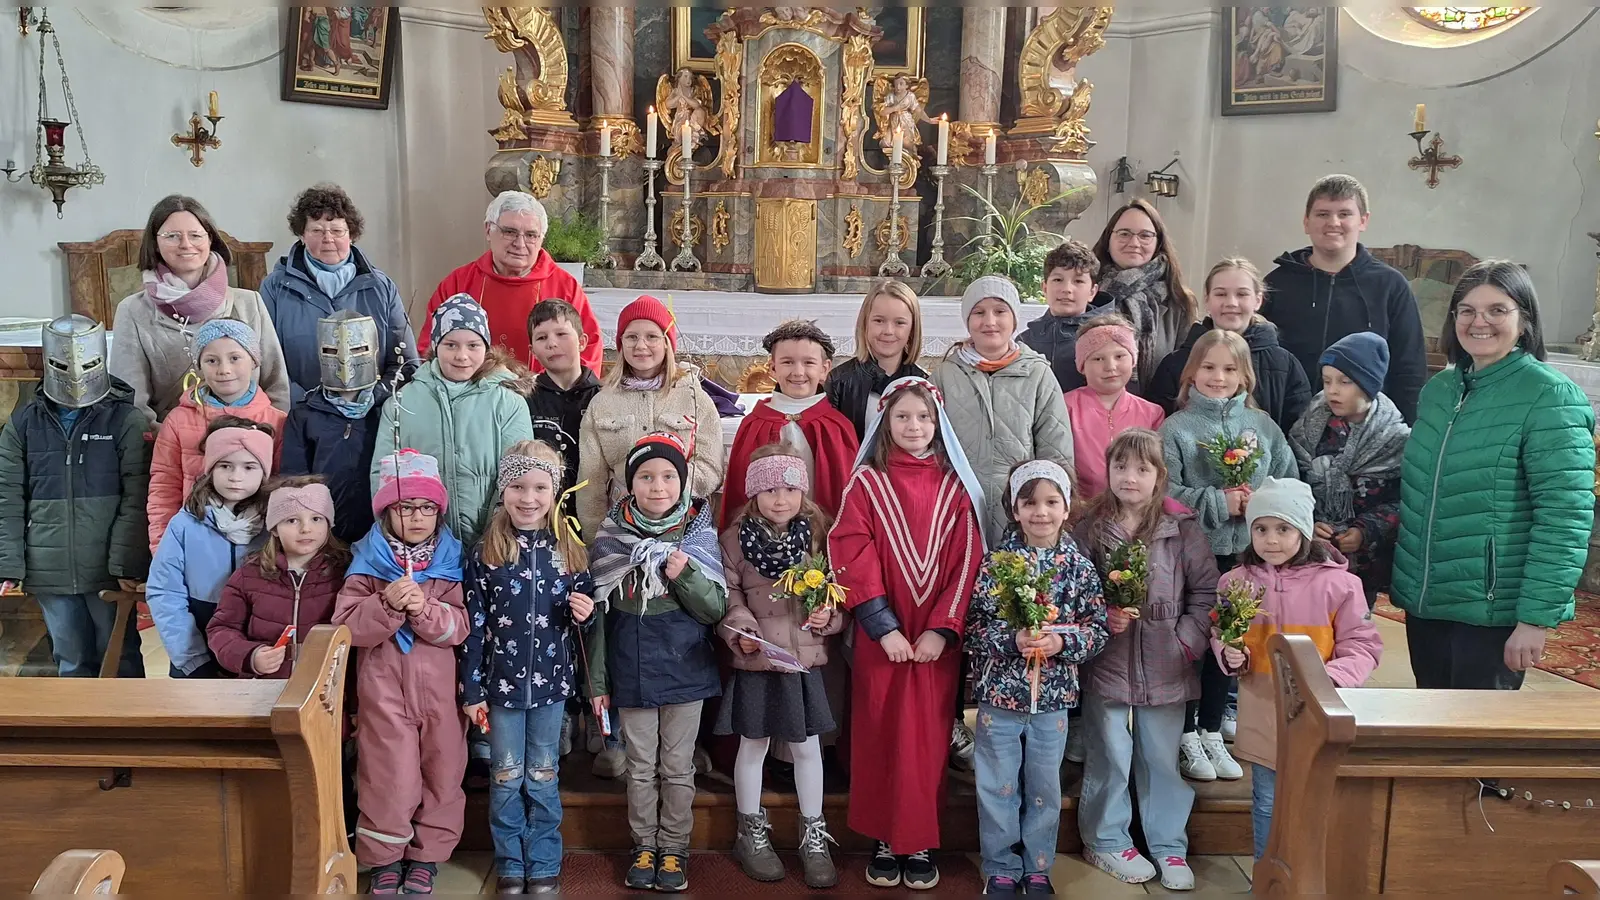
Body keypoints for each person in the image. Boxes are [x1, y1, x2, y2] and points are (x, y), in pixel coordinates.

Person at [1392, 261, 1597, 690]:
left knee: (1472, 747)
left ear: (1524, 321)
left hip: (1492, 613)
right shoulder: (1439, 391)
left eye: (1496, 310)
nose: (1478, 321)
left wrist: (1534, 618)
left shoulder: (1549, 397)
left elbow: (1564, 518)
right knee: (1428, 731)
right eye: (1466, 310)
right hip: (1427, 602)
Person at [829, 377, 984, 891]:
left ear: (938, 424)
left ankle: (917, 838)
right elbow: (851, 548)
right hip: (885, 638)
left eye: (923, 418)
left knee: (927, 735)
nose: (913, 427)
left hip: (934, 640)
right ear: (884, 423)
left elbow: (967, 561)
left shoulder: (957, 487)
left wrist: (943, 630)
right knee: (879, 728)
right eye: (901, 418)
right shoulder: (867, 483)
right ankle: (882, 835)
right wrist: (881, 625)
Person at [1073, 428, 1218, 890]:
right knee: (1110, 755)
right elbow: (1072, 588)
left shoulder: (1182, 529)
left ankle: (1168, 845)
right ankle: (1106, 839)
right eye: (1120, 467)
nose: (1129, 477)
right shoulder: (1089, 526)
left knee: (1160, 756)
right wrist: (1101, 619)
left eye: (1141, 468)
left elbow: (1206, 592)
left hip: (1167, 660)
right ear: (1107, 469)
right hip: (1108, 660)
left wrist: (1186, 641)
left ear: (1160, 476)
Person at [587, 432, 728, 894]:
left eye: (669, 476)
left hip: (686, 672)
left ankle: (674, 848)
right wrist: (599, 682)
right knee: (640, 766)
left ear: (684, 483)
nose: (658, 486)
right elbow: (600, 623)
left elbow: (713, 610)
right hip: (631, 672)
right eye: (646, 476)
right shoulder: (611, 540)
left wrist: (682, 573)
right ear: (630, 485)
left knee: (677, 766)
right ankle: (643, 845)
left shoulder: (697, 536)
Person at [1214, 477, 1381, 861]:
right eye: (1261, 529)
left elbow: (1363, 645)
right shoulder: (1234, 583)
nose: (1271, 540)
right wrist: (1230, 653)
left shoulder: (1340, 585)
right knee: (1268, 801)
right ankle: (1268, 879)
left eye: (1283, 529)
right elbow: (1223, 633)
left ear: (1303, 530)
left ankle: (1309, 877)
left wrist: (1331, 677)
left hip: (1318, 714)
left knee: (1316, 801)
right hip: (1263, 712)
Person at [460, 441, 596, 894]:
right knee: (504, 777)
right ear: (503, 491)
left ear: (555, 493)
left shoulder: (571, 551)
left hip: (552, 690)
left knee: (542, 775)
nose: (528, 497)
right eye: (518, 486)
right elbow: (474, 629)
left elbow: (587, 622)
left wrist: (585, 612)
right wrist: (472, 689)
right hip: (499, 691)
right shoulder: (486, 554)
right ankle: (510, 864)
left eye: (540, 487)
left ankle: (542, 864)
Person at [1159, 329, 1295, 782]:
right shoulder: (1175, 429)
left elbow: (1288, 484)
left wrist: (1258, 504)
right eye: (1209, 367)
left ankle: (1214, 727)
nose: (1219, 377)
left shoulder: (1263, 428)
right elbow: (1166, 493)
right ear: (1191, 372)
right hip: (1195, 558)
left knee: (1232, 643)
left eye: (1230, 369)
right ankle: (1185, 732)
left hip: (1246, 559)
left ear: (1245, 376)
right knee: (1195, 645)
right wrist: (1221, 502)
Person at [968, 460, 1108, 895]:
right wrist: (1013, 639)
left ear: (1068, 508)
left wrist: (1061, 644)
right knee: (997, 784)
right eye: (1029, 503)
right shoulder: (995, 565)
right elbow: (974, 628)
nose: (1040, 512)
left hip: (1053, 700)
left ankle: (1038, 867)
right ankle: (1000, 866)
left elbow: (1097, 629)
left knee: (1045, 786)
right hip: (999, 698)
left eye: (1051, 502)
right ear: (1013, 508)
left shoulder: (1080, 569)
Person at [333, 450, 469, 895]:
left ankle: (427, 856)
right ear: (387, 512)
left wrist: (425, 608)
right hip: (383, 690)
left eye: (427, 508)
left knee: (442, 771)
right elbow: (346, 629)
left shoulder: (449, 563)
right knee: (388, 774)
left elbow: (460, 627)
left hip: (439, 692)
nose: (416, 517)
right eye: (405, 508)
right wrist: (387, 603)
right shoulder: (367, 565)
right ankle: (385, 857)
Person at [716, 446, 844, 889]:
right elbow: (728, 596)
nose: (780, 498)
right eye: (769, 489)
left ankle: (813, 834)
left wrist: (829, 615)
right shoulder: (734, 539)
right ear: (754, 493)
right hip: (758, 660)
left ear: (803, 491)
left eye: (790, 488)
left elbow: (833, 590)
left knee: (808, 748)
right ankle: (750, 832)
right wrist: (742, 627)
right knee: (752, 745)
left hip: (803, 660)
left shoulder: (816, 536)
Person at [0, 316, 150, 677]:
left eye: (87, 363)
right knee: (71, 661)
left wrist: (124, 564)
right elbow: (7, 497)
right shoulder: (23, 423)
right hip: (49, 568)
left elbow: (137, 496)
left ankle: (132, 731)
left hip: (107, 572)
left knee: (121, 658)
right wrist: (8, 564)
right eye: (61, 363)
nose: (76, 374)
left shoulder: (125, 420)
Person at [374, 294, 535, 549]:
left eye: (473, 345)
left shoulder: (509, 402)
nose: (462, 356)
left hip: (492, 541)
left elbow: (520, 470)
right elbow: (383, 472)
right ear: (436, 346)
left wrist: (498, 532)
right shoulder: (402, 402)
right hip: (421, 544)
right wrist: (396, 531)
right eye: (451, 345)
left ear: (486, 347)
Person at [109, 194, 289, 422]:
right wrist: (173, 442)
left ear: (210, 239)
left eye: (195, 235)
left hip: (248, 446)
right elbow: (132, 404)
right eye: (172, 236)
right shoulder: (133, 311)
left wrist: (262, 438)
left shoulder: (249, 302)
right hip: (170, 447)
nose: (186, 244)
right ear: (155, 243)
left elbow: (276, 387)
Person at [1262, 175, 1426, 422]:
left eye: (1344, 214)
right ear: (1306, 222)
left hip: (1367, 433)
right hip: (1286, 423)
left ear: (1363, 221)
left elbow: (1409, 368)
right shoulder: (1276, 283)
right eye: (1323, 214)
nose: (1333, 222)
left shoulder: (1391, 285)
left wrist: (1408, 431)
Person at [934, 275, 1074, 545]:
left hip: (1022, 510)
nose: (989, 321)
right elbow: (934, 444)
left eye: (1000, 311)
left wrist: (1048, 507)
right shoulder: (945, 375)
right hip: (958, 505)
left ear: (1014, 319)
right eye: (979, 312)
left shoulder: (1037, 374)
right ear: (967, 320)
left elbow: (1055, 450)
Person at [576, 296, 724, 541]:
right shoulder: (602, 403)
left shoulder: (693, 397)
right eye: (632, 337)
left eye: (652, 337)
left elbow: (711, 464)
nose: (641, 345)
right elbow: (591, 480)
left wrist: (668, 491)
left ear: (667, 343)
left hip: (684, 526)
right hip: (621, 531)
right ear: (621, 343)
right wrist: (596, 539)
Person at [259, 183, 418, 404]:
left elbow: (406, 362)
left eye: (337, 230)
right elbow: (267, 363)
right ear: (302, 235)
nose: (328, 238)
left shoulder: (381, 287)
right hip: (299, 414)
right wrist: (309, 403)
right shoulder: (275, 287)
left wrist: (372, 398)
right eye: (317, 230)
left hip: (371, 415)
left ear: (351, 235)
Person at [145, 418, 275, 678]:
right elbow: (164, 592)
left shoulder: (275, 525)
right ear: (210, 469)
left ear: (264, 472)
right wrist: (192, 659)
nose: (236, 477)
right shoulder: (184, 524)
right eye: (225, 465)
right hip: (196, 645)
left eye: (250, 467)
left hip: (257, 652)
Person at [1287, 332, 1410, 605]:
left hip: (1365, 565)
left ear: (1368, 385)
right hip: (1307, 554)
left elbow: (1402, 501)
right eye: (1327, 380)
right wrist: (1307, 522)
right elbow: (1291, 484)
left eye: (1345, 381)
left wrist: (1365, 530)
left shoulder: (1395, 440)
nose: (1332, 390)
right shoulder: (1307, 429)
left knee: (1352, 634)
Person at [422, 192, 602, 375]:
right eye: (510, 232)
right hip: (471, 398)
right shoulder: (458, 283)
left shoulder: (564, 286)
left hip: (545, 399)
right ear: (488, 231)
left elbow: (587, 350)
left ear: (542, 239)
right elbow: (430, 348)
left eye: (531, 235)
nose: (520, 243)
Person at [146, 319, 287, 553]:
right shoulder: (178, 420)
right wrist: (163, 548)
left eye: (235, 358)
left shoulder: (277, 421)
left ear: (253, 361)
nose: (224, 370)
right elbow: (164, 486)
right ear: (199, 365)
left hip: (257, 549)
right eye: (212, 360)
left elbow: (281, 488)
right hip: (195, 544)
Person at [1147, 258, 1311, 432]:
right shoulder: (1176, 364)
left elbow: (1299, 432)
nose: (1231, 303)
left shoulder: (1284, 365)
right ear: (1207, 300)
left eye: (1242, 294)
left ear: (1258, 300)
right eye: (1221, 294)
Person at [206, 478, 348, 678]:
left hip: (325, 691)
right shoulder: (249, 575)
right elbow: (222, 628)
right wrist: (250, 656)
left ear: (329, 523)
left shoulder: (345, 573)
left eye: (316, 519)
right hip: (263, 691)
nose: (306, 529)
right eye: (292, 520)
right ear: (273, 528)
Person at [722, 321, 859, 528]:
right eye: (787, 362)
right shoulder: (753, 425)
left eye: (808, 363)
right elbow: (738, 494)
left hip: (823, 545)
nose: (798, 372)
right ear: (772, 367)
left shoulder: (838, 427)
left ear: (825, 369)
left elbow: (849, 498)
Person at [280, 311, 389, 545]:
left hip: (378, 536)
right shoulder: (304, 415)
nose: (345, 361)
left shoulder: (389, 411)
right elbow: (295, 481)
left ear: (373, 350)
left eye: (357, 350)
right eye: (332, 351)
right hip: (324, 536)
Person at [1091, 199, 1198, 389]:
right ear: (1108, 240)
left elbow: (1186, 370)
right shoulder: (1089, 293)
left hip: (1160, 410)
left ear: (1158, 244)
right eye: (1124, 234)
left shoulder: (1180, 301)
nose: (1134, 243)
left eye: (1145, 235)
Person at [1064, 315, 1165, 500]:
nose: (1110, 366)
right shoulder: (1065, 408)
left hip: (1135, 513)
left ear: (1133, 360)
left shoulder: (1152, 414)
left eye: (1119, 356)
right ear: (1082, 366)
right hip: (1080, 512)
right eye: (1098, 359)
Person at [526, 299, 603, 515]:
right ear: (532, 350)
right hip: (541, 511)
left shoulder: (603, 397)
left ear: (582, 341)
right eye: (542, 337)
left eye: (561, 334)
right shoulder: (525, 398)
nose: (552, 343)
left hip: (593, 510)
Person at [825, 280, 926, 440]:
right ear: (865, 323)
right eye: (879, 321)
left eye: (899, 322)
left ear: (912, 329)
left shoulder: (922, 383)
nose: (888, 331)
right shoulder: (839, 381)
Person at [1020, 240, 1112, 393]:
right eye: (1058, 280)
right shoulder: (1025, 342)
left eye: (1078, 281)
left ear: (1092, 292)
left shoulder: (1108, 340)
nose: (1067, 289)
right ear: (1044, 287)